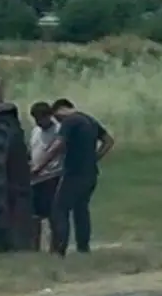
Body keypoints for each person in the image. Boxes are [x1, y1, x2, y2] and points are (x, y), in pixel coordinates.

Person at [31, 98, 116, 255]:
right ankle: (83, 248)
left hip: (74, 174)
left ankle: (59, 250)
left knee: (59, 209)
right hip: (91, 174)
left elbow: (57, 146)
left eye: (56, 117)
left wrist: (38, 168)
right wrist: (95, 158)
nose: (56, 120)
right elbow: (108, 141)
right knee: (81, 210)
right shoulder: (88, 120)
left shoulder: (70, 122)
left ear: (59, 110)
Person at [28, 101, 61, 247]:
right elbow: (33, 149)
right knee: (34, 216)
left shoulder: (58, 130)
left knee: (54, 214)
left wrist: (39, 168)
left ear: (49, 116)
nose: (38, 122)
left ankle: (56, 246)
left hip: (52, 176)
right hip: (36, 179)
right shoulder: (35, 131)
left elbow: (54, 152)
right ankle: (34, 246)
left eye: (41, 118)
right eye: (36, 119)